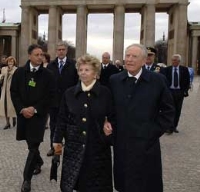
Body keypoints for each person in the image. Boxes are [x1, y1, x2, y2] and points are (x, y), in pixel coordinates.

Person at [104, 44, 175, 192]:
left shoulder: (158, 80)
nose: (129, 60)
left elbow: (168, 111)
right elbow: (109, 109)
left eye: (134, 56)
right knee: (124, 184)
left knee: (147, 184)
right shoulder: (114, 80)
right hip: (122, 144)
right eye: (127, 55)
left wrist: (153, 131)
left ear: (144, 61)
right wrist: (107, 123)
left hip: (147, 145)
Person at [53, 54, 113, 192]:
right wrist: (57, 140)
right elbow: (62, 118)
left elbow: (113, 115)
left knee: (96, 184)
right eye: (80, 70)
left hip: (98, 147)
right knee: (77, 182)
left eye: (87, 70)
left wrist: (108, 125)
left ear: (95, 73)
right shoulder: (69, 93)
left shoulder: (105, 93)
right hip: (74, 146)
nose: (83, 73)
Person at [10, 44, 55, 192]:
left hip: (38, 116)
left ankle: (26, 180)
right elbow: (14, 92)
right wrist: (22, 109)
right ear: (29, 56)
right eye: (37, 54)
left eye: (41, 55)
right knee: (30, 145)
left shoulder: (48, 75)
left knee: (34, 145)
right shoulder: (19, 72)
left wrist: (34, 109)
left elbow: (49, 96)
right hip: (23, 115)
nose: (40, 57)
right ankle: (39, 161)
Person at [46, 41, 78, 156]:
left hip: (69, 102)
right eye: (58, 49)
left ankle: (70, 147)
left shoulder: (73, 64)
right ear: (56, 51)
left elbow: (76, 83)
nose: (60, 51)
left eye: (62, 49)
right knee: (54, 125)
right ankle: (53, 147)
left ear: (66, 51)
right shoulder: (50, 65)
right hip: (54, 102)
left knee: (70, 126)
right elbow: (47, 85)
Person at [162, 54, 190, 134]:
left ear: (179, 61)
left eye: (175, 60)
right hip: (169, 92)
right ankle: (169, 127)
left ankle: (174, 126)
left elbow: (187, 81)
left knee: (178, 110)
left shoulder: (184, 70)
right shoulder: (167, 69)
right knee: (170, 109)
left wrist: (184, 90)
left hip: (179, 92)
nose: (174, 61)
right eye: (173, 60)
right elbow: (164, 81)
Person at [0, 56, 17, 129]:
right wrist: (1, 77)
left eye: (12, 61)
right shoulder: (4, 69)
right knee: (5, 106)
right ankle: (7, 123)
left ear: (14, 62)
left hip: (12, 90)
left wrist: (10, 71)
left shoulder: (16, 69)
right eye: (9, 61)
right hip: (4, 89)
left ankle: (14, 117)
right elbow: (1, 76)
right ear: (7, 62)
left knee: (12, 106)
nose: (10, 63)